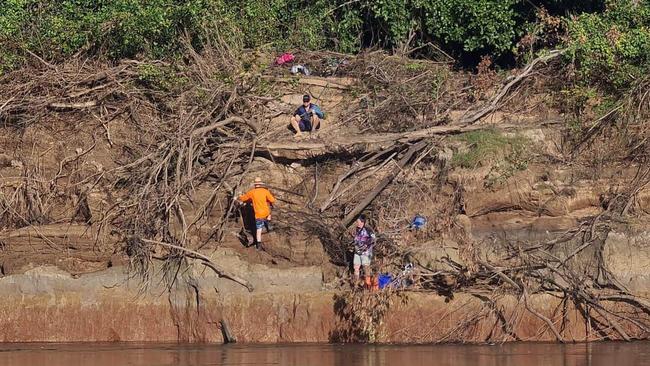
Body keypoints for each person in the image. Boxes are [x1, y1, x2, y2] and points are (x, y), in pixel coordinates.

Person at [237, 177, 276, 250]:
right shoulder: (265, 191)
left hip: (258, 214)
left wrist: (239, 195)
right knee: (268, 218)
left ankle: (259, 245)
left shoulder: (252, 192)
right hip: (266, 213)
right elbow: (272, 200)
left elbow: (243, 198)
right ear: (260, 184)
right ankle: (268, 227)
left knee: (258, 229)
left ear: (255, 185)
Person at [351, 214, 376, 285]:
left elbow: (373, 239)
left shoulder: (368, 229)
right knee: (356, 267)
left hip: (366, 252)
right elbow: (355, 239)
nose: (357, 223)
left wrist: (365, 245)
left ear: (362, 222)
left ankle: (368, 284)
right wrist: (355, 244)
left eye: (358, 221)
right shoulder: (356, 229)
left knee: (366, 267)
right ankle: (356, 284)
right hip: (357, 251)